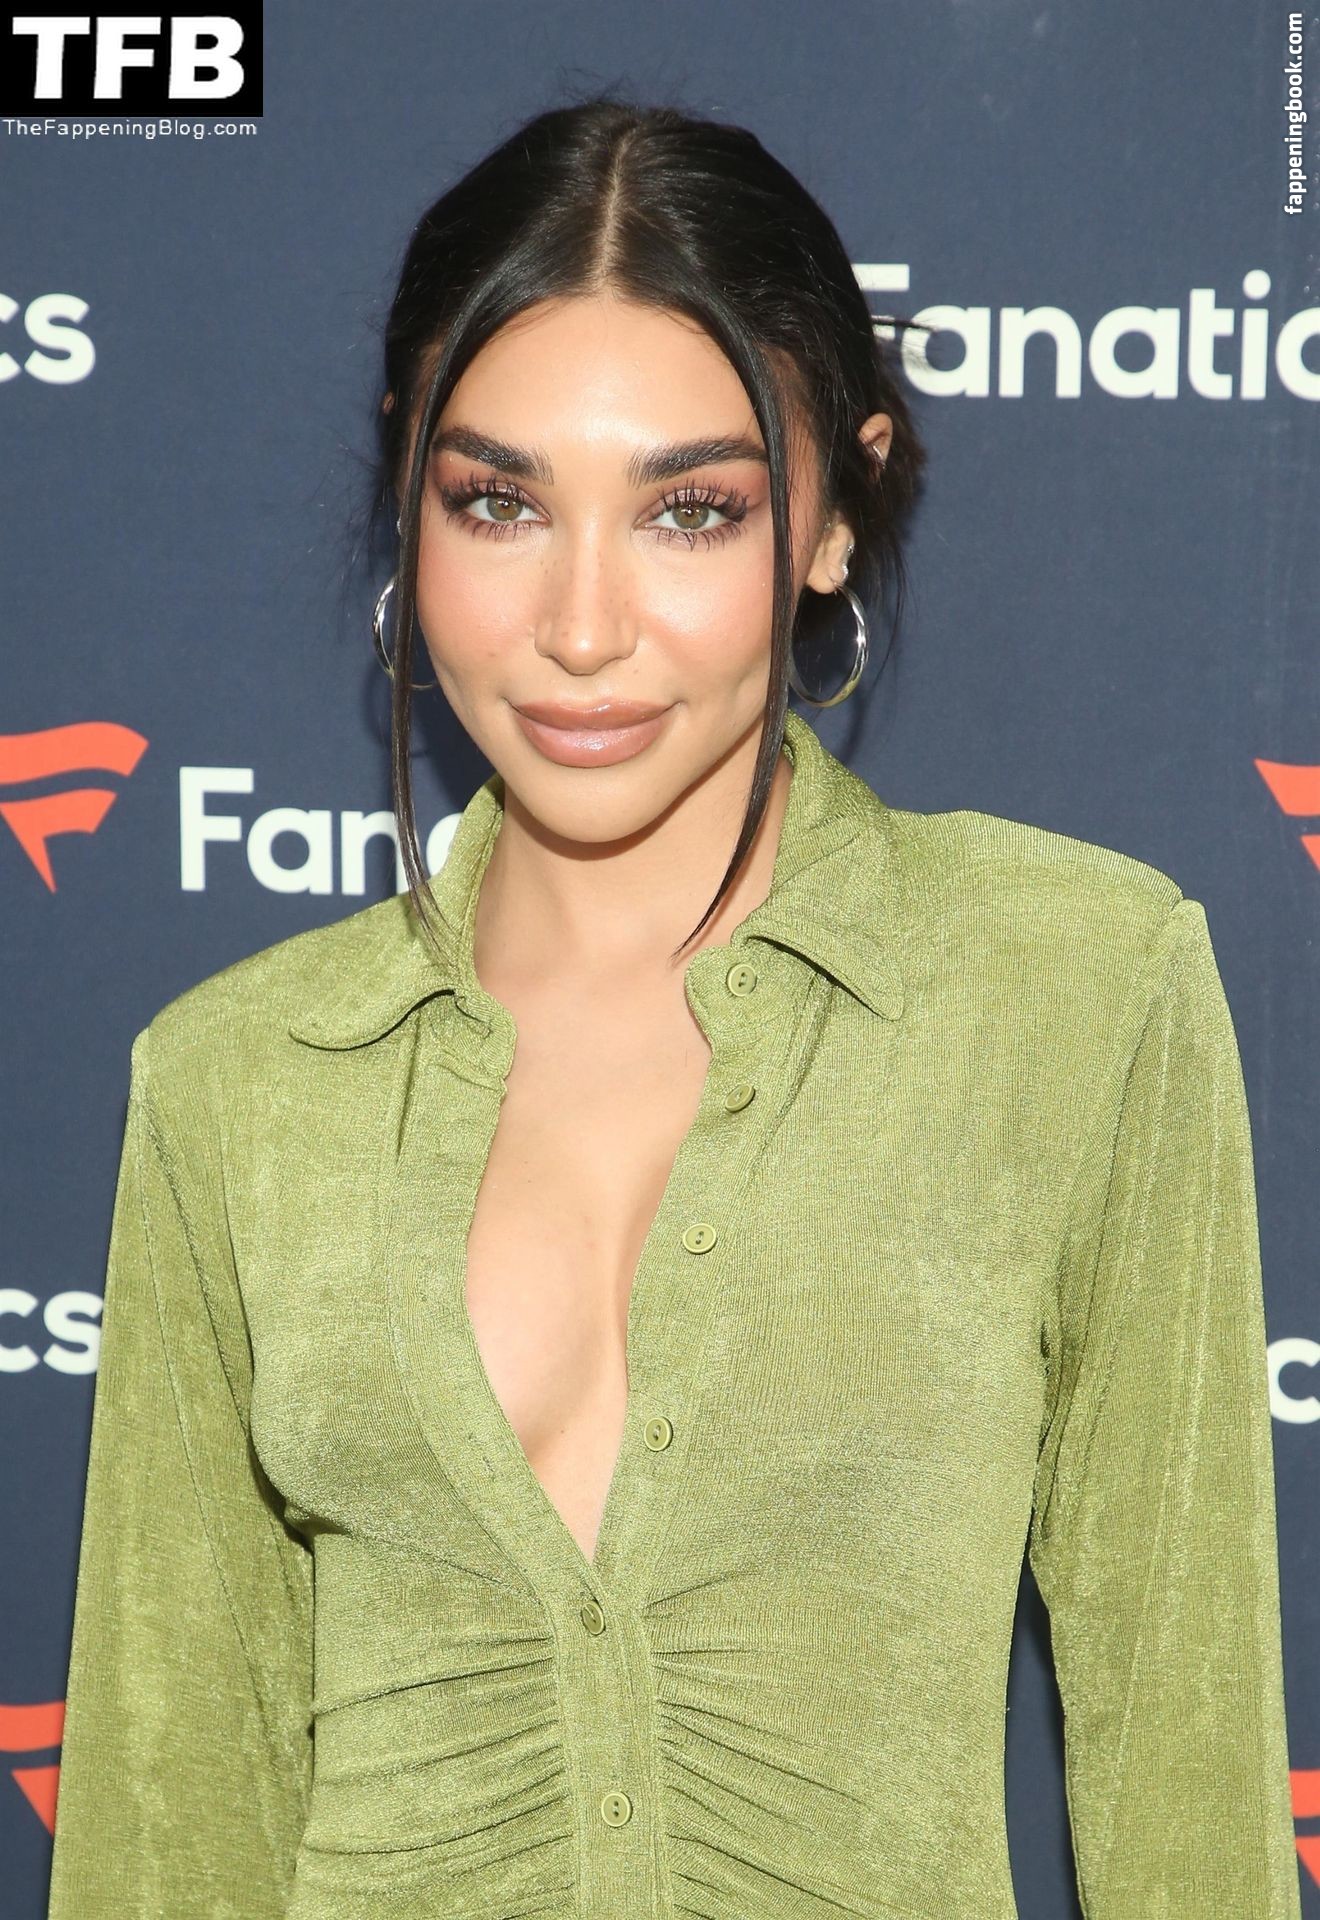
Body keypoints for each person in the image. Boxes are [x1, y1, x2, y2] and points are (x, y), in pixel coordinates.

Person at [46, 93, 1300, 1920]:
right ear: (409, 490)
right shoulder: (237, 1079)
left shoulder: (1080, 991)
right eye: (498, 502)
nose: (580, 626)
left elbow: (1186, 1786)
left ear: (834, 515)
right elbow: (167, 1829)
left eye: (690, 511)